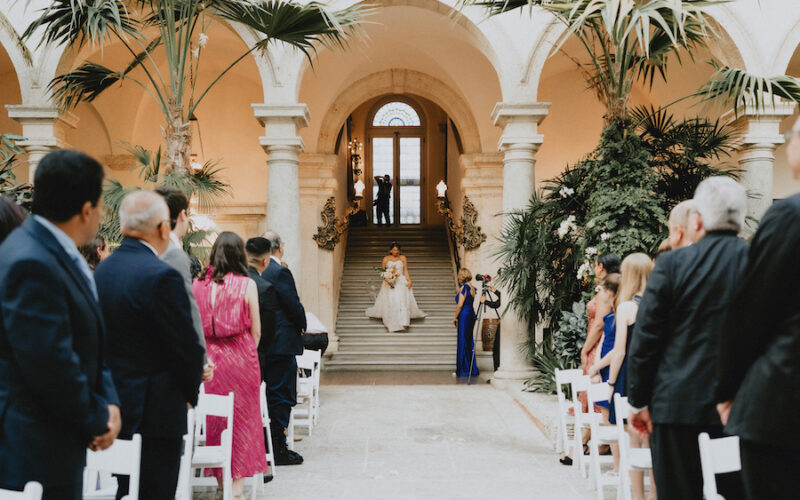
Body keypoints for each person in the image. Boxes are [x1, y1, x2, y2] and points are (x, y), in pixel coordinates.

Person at [0, 150, 120, 499]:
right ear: (86, 210)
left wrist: (109, 401)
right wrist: (98, 417)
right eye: (100, 205)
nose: (101, 214)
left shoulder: (52, 251)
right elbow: (50, 362)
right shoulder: (29, 261)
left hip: (56, 441)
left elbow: (91, 339)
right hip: (34, 448)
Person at [627, 177, 748, 500]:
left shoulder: (672, 264)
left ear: (696, 221)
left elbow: (647, 336)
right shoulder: (758, 261)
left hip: (675, 406)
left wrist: (638, 400)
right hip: (740, 408)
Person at [95, 190, 205, 500]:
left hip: (116, 404)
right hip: (157, 411)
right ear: (162, 228)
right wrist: (189, 394)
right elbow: (185, 346)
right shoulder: (162, 276)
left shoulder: (102, 271)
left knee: (125, 490)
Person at [714, 118, 800, 500]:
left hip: (784, 404)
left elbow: (752, 313)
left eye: (790, 138)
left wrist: (728, 389)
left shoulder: (790, 216)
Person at [194, 232, 268, 498]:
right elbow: (257, 331)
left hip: (211, 359)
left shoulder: (198, 283)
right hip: (241, 356)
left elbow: (195, 328)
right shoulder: (246, 284)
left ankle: (221, 483)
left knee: (217, 420)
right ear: (239, 254)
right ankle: (236, 487)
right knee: (244, 421)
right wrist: (244, 353)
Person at [589, 253, 653, 499]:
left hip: (630, 374)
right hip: (655, 375)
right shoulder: (659, 303)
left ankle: (637, 495)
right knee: (651, 443)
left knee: (634, 438)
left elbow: (619, 352)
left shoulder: (627, 306)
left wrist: (611, 382)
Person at [560, 253, 621, 466]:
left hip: (599, 345)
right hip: (601, 343)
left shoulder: (607, 291)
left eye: (595, 265)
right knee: (592, 394)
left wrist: (585, 350)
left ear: (601, 267)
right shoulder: (615, 286)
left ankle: (581, 444)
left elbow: (599, 324)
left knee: (592, 394)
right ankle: (595, 443)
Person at [156, 186, 212, 380]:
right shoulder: (174, 254)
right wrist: (202, 359)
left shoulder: (155, 248)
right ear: (182, 215)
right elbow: (186, 308)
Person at [262, 231, 306, 465]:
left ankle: (269, 444)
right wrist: (302, 325)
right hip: (281, 343)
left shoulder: (257, 271)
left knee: (269, 394)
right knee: (282, 395)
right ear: (279, 247)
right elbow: (293, 305)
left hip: (264, 344)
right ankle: (278, 448)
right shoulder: (279, 271)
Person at [366, 242, 426, 332]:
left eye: (397, 250)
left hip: (401, 281)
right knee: (392, 301)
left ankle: (404, 322)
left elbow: (405, 271)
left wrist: (409, 280)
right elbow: (382, 272)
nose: (396, 251)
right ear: (390, 250)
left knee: (402, 301)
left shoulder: (403, 258)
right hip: (389, 282)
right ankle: (392, 323)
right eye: (394, 250)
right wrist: (388, 281)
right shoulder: (386, 259)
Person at [453, 268, 479, 377]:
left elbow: (460, 305)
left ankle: (463, 369)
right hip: (471, 314)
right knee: (468, 340)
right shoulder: (472, 288)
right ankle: (470, 368)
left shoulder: (464, 287)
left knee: (463, 339)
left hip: (464, 314)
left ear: (462, 276)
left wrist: (455, 317)